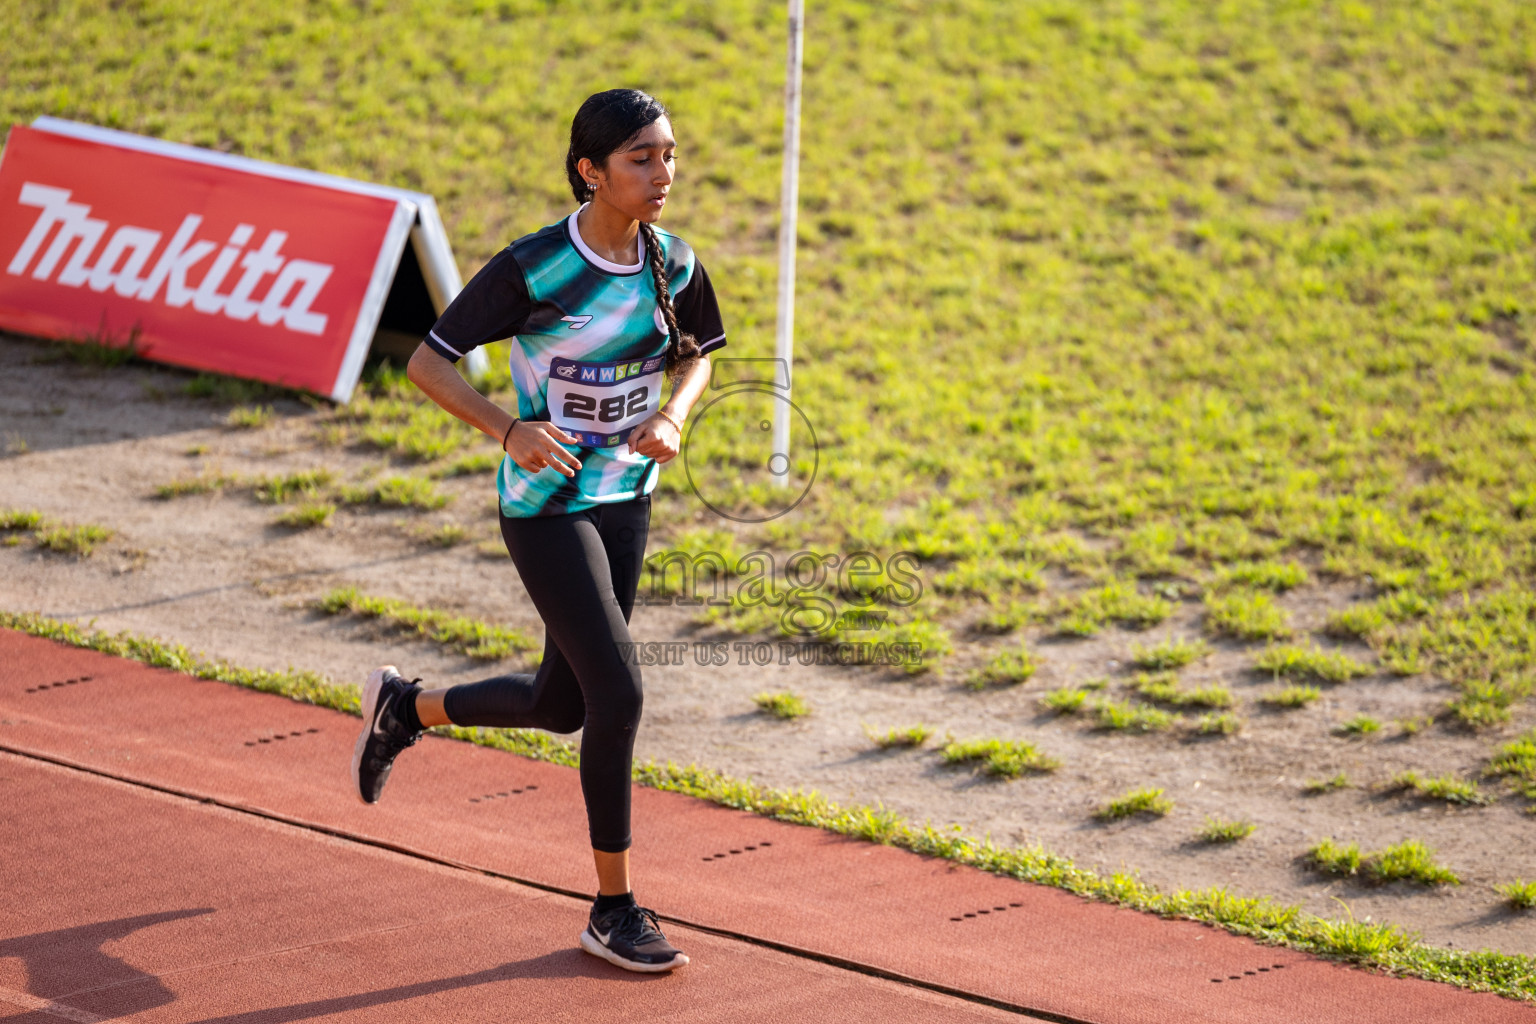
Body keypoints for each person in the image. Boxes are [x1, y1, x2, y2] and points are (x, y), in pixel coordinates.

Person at [348, 88, 725, 973]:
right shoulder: (534, 268)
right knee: (621, 695)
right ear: (590, 170)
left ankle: (405, 707)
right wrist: (511, 430)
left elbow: (700, 355)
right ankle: (613, 908)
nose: (663, 173)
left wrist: (675, 414)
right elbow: (425, 363)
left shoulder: (674, 262)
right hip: (548, 504)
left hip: (625, 495)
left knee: (564, 705)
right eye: (641, 158)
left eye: (670, 153)